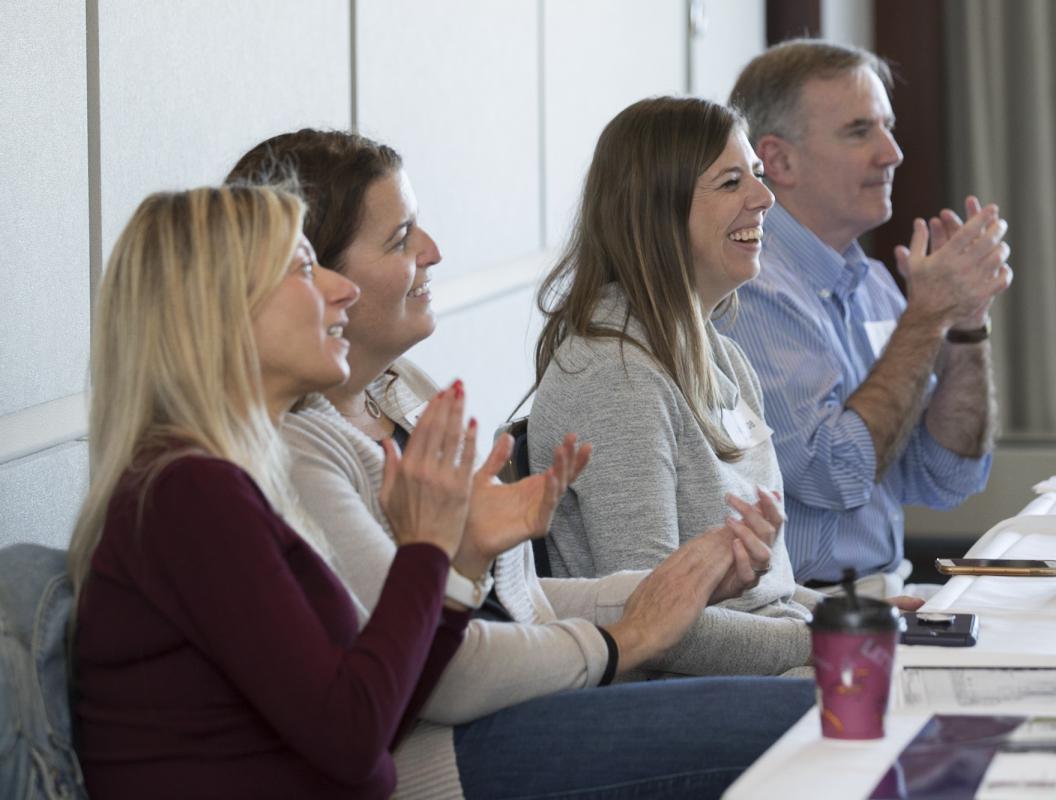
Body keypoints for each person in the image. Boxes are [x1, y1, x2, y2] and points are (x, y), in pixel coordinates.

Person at [228, 129, 818, 800]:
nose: (433, 251)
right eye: (399, 240)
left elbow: (517, 603)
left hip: (525, 700)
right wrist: (626, 638)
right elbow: (441, 668)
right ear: (309, 280)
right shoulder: (295, 449)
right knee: (823, 714)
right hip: (443, 755)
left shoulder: (402, 389)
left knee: (842, 700)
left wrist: (680, 591)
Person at [67, 185, 485, 799]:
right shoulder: (189, 493)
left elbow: (378, 723)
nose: (344, 290)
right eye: (304, 269)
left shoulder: (217, 481)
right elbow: (351, 736)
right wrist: (422, 550)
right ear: (215, 310)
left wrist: (451, 569)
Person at [528, 96, 833, 621]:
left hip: (772, 653)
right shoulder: (615, 377)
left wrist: (847, 614)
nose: (765, 197)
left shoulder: (724, 359)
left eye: (757, 175)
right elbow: (655, 624)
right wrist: (830, 635)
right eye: (732, 182)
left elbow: (770, 593)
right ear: (656, 212)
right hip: (695, 671)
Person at [727, 39, 1013, 596]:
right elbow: (834, 474)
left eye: (889, 127)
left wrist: (966, 324)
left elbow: (946, 475)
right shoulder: (752, 290)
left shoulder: (874, 284)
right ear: (779, 161)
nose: (893, 153)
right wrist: (926, 318)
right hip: (804, 611)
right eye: (860, 132)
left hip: (886, 590)